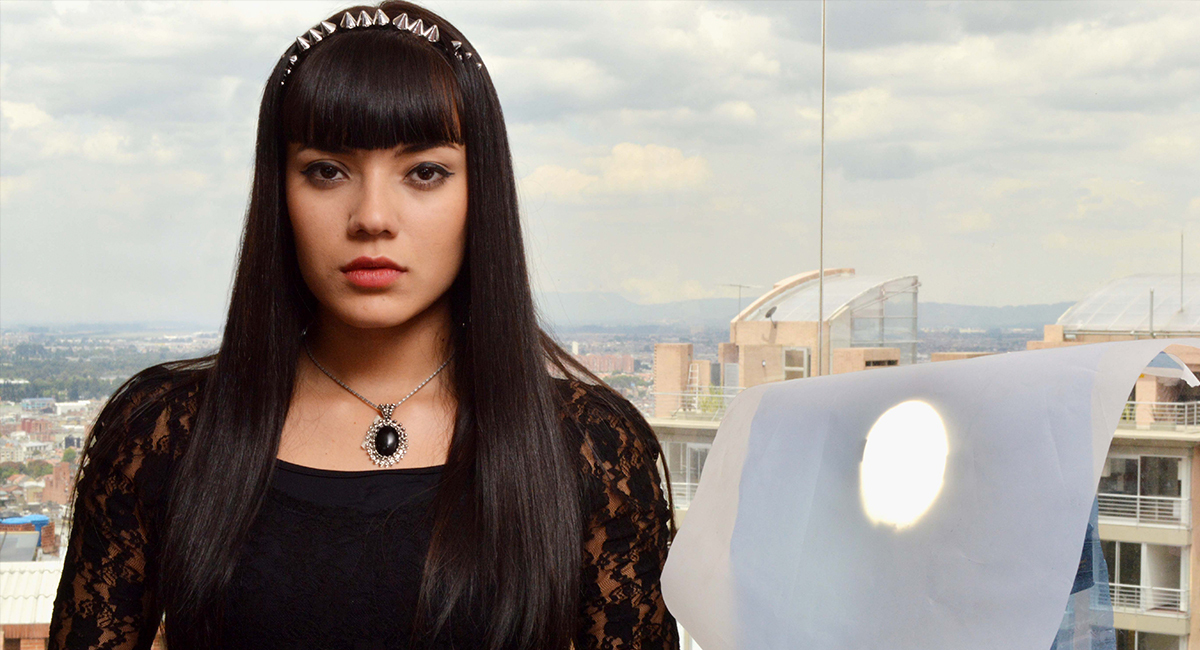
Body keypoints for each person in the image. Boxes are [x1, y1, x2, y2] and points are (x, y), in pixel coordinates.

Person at [47, 2, 679, 648]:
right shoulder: (160, 434)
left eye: (425, 172)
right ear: (279, 192)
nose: (372, 217)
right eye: (327, 171)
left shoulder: (593, 448)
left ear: (479, 192)